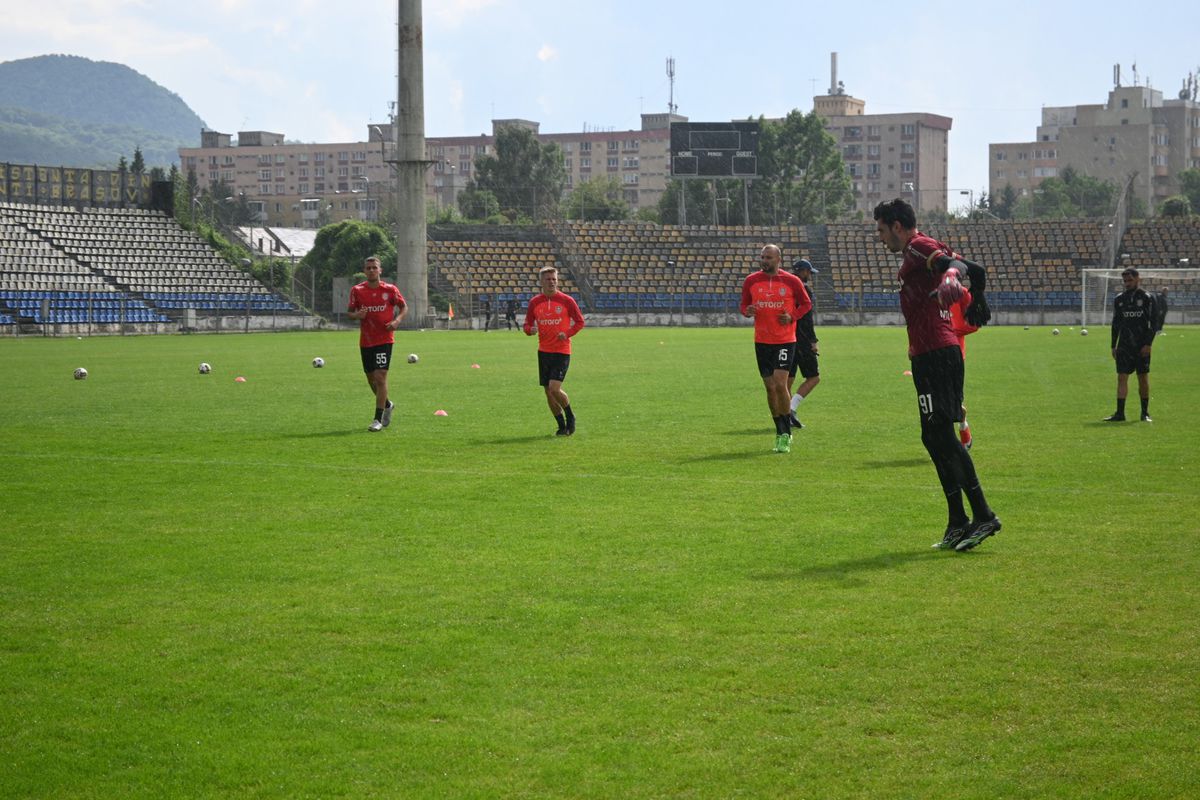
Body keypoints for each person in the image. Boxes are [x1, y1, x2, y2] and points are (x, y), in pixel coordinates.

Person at [873, 198, 1000, 552]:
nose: (880, 238)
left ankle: (983, 514)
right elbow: (973, 267)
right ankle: (958, 519)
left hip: (937, 354)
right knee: (933, 437)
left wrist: (950, 277)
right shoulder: (918, 251)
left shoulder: (918, 246)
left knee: (941, 437)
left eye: (882, 230)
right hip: (929, 353)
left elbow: (956, 265)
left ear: (897, 225)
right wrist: (979, 297)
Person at [740, 244, 812, 454]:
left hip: (784, 340)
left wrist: (792, 317)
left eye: (769, 257)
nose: (764, 260)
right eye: (762, 257)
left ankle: (785, 433)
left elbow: (806, 304)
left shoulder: (791, 281)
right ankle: (779, 429)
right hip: (762, 341)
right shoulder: (751, 281)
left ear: (778, 259)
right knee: (770, 388)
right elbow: (743, 305)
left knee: (781, 384)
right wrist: (748, 310)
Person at [347, 255, 407, 432]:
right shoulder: (357, 290)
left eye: (375, 267)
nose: (372, 270)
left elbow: (403, 307)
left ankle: (377, 419)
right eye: (368, 268)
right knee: (371, 380)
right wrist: (357, 315)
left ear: (380, 270)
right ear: (364, 271)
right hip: (366, 340)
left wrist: (397, 321)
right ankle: (387, 404)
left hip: (384, 340)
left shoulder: (390, 289)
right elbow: (350, 312)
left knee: (380, 377)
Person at [524, 266, 585, 436]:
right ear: (541, 282)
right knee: (547, 391)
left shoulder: (567, 301)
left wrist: (566, 334)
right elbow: (526, 325)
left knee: (554, 388)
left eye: (554, 279)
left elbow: (580, 322)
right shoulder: (535, 302)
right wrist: (530, 330)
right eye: (548, 279)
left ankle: (570, 416)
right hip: (544, 351)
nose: (551, 282)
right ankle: (561, 426)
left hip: (561, 351)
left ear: (557, 281)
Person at [1104, 267, 1157, 422]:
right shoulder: (1119, 299)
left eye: (1130, 280)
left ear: (1138, 279)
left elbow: (1153, 323)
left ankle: (1145, 413)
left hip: (1141, 345)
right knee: (1121, 378)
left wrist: (1148, 344)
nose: (1127, 283)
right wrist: (1113, 345)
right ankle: (1120, 414)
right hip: (1124, 345)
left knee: (1143, 378)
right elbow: (1116, 323)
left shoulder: (1147, 297)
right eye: (1125, 281)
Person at [786, 258, 821, 430]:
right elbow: (807, 318)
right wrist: (813, 341)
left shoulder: (786, 287)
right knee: (814, 377)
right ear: (803, 271)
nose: (809, 276)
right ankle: (791, 409)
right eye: (808, 272)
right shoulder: (804, 289)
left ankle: (784, 414)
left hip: (786, 338)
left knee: (788, 380)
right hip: (802, 340)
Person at [948, 288, 980, 449]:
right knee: (934, 401)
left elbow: (974, 323)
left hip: (954, 355)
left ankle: (962, 425)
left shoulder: (960, 293)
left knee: (948, 403)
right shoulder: (928, 288)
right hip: (931, 352)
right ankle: (947, 441)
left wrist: (948, 331)